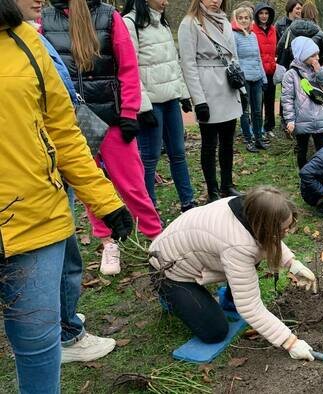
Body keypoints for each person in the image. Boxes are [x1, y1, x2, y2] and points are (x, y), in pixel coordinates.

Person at [0, 2, 132, 391]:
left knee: (38, 342)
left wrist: (105, 201)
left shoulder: (29, 42)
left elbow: (65, 132)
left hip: (36, 222)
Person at [42, 0, 163, 276]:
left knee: (132, 183)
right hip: (73, 121)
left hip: (113, 117)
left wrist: (130, 111)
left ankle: (156, 235)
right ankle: (108, 241)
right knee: (90, 185)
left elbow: (128, 67)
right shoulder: (45, 19)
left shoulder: (109, 16)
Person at [148, 186, 317, 360]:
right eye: (283, 230)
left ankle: (228, 301)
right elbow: (250, 307)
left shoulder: (249, 208)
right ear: (265, 227)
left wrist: (291, 263)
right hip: (167, 269)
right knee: (215, 332)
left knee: (248, 262)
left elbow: (268, 237)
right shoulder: (238, 245)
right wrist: (290, 342)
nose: (287, 233)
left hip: (191, 252)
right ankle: (170, 296)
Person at [122, 0, 196, 213]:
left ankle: (188, 202)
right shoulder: (130, 24)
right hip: (150, 105)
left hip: (170, 100)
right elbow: (130, 68)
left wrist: (183, 94)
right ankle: (148, 209)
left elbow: (174, 63)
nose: (166, 2)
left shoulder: (162, 24)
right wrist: (143, 107)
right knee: (149, 158)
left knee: (179, 153)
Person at [179, 0, 244, 202]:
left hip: (228, 86)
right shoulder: (189, 23)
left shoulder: (224, 21)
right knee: (209, 144)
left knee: (227, 141)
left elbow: (234, 57)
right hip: (208, 88)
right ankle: (213, 190)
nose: (215, 0)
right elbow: (188, 64)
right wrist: (199, 100)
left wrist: (241, 88)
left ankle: (227, 184)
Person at [281, 36, 323, 169]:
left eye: (317, 54)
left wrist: (320, 72)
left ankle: (322, 172)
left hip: (320, 119)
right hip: (302, 120)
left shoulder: (318, 72)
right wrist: (290, 120)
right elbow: (287, 99)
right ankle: (304, 174)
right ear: (302, 56)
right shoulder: (291, 75)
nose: (317, 57)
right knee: (302, 150)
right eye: (313, 55)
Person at [232, 6, 268, 153]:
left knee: (258, 110)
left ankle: (259, 138)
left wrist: (264, 77)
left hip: (257, 77)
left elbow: (258, 57)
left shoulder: (253, 36)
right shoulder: (234, 36)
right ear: (236, 19)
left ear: (250, 19)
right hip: (244, 78)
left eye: (246, 18)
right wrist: (240, 79)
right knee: (245, 111)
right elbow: (235, 58)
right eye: (240, 18)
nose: (243, 20)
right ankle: (248, 139)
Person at [275, 2, 323, 70]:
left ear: (302, 13)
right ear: (315, 14)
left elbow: (280, 48)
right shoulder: (320, 33)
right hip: (313, 69)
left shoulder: (290, 30)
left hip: (292, 68)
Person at [251, 3, 277, 141]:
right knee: (257, 102)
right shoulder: (252, 29)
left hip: (271, 70)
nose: (264, 16)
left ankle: (269, 127)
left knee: (270, 100)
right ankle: (257, 128)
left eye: (266, 13)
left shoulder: (273, 29)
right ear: (256, 15)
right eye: (261, 13)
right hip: (258, 71)